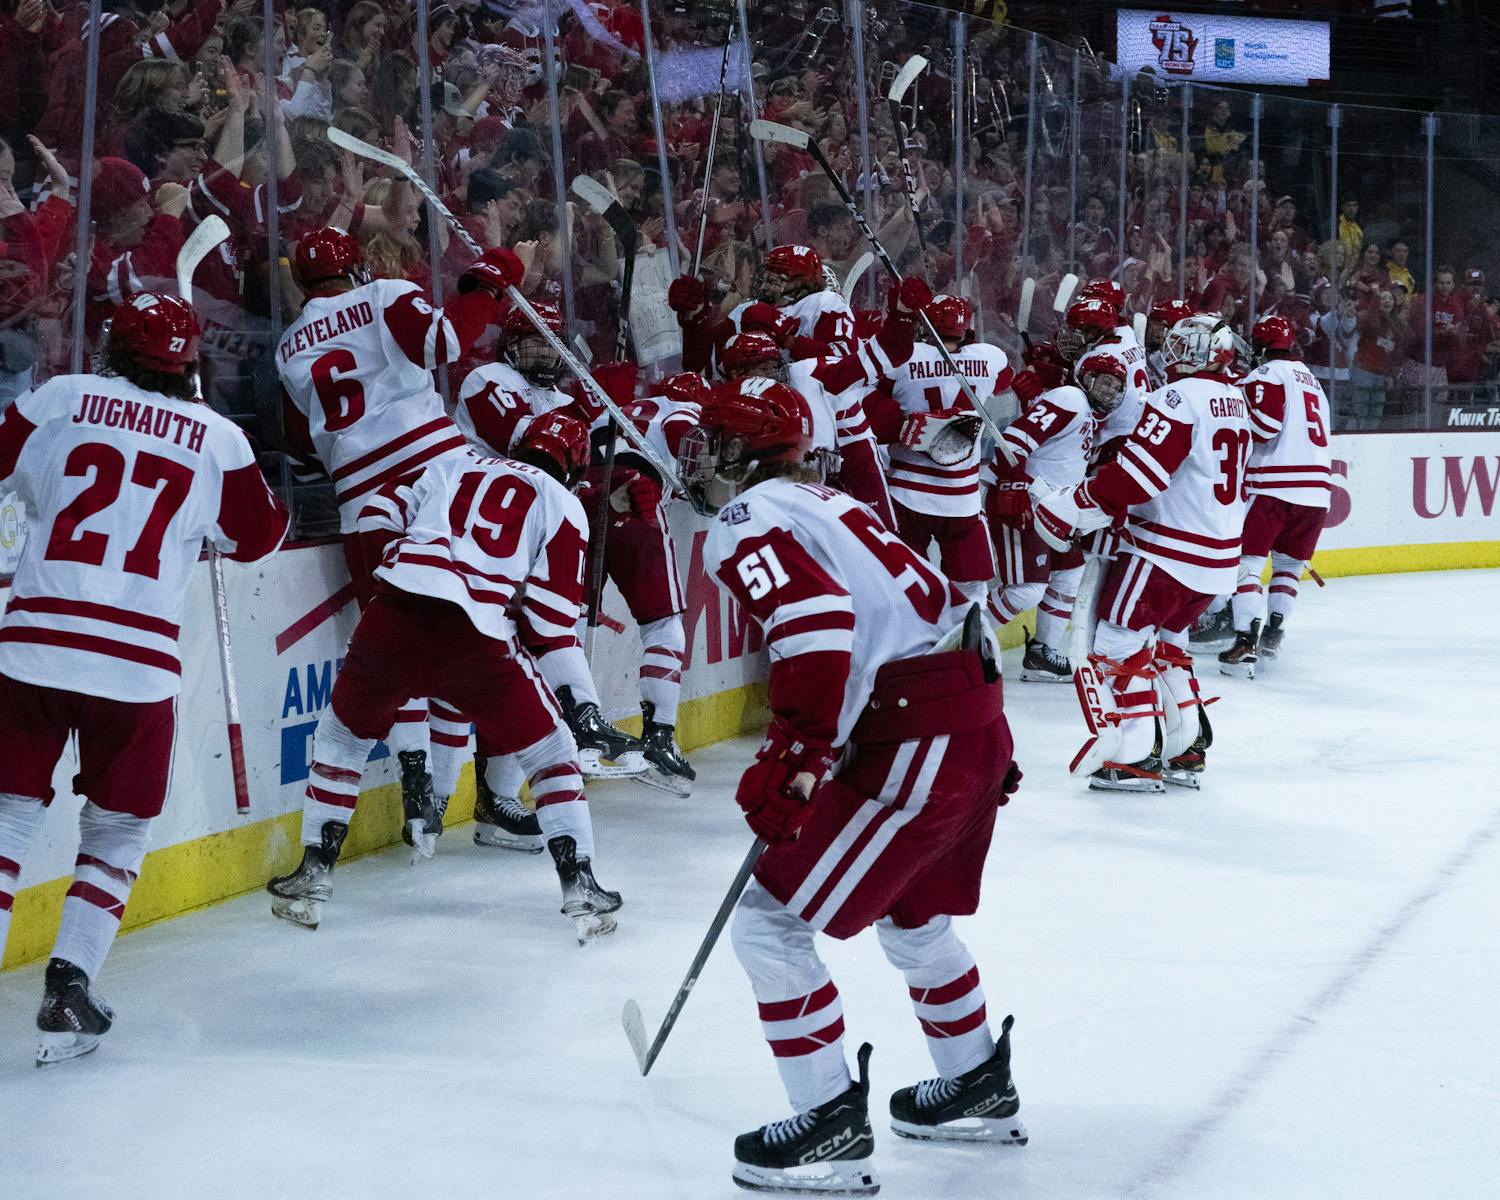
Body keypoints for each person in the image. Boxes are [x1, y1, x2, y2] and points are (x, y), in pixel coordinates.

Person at [687, 378, 1026, 1195]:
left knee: (769, 924)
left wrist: (798, 752)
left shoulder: (746, 517)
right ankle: (974, 1081)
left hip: (918, 734)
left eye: (713, 441)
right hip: (962, 717)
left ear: (739, 451)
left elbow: (816, 626)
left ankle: (828, 1128)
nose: (701, 458)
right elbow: (947, 604)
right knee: (913, 913)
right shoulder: (834, 502)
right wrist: (978, 731)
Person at [0, 293, 288, 1064]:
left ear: (112, 349)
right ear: (188, 363)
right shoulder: (219, 438)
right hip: (136, 668)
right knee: (119, 831)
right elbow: (258, 538)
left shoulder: (59, 398)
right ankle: (70, 984)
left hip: (33, 647)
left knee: (5, 819)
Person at [267, 415, 624, 944]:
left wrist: (396, 570)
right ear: (573, 468)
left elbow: (376, 511)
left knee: (341, 740)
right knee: (552, 753)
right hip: (475, 636)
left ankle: (312, 875)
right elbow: (550, 625)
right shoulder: (563, 502)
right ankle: (582, 887)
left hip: (392, 617)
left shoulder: (453, 462)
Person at [277, 227, 522, 848]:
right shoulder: (384, 293)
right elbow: (444, 341)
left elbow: (302, 450)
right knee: (469, 626)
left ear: (300, 282)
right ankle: (448, 792)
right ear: (356, 267)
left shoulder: (286, 347)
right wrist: (487, 283)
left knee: (392, 644)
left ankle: (416, 781)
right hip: (435, 481)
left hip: (361, 500)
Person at [1034, 315, 1251, 791]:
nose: (1172, 352)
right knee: (1170, 644)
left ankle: (1133, 754)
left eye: (1182, 345)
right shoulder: (1235, 398)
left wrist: (1078, 499)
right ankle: (1185, 745)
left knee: (1118, 641)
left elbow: (1139, 475)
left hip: (1165, 552)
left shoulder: (1179, 397)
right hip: (1217, 560)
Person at [453, 302, 651, 780]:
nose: (544, 351)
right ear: (509, 344)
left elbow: (583, 468)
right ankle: (499, 783)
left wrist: (620, 480)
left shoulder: (561, 398)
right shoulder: (487, 380)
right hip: (487, 533)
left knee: (541, 648)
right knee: (508, 658)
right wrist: (591, 405)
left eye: (551, 342)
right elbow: (536, 451)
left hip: (539, 531)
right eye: (534, 340)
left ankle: (561, 747)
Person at [857, 279, 1015, 605]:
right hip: (963, 500)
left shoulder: (902, 359)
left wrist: (900, 425)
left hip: (908, 494)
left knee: (906, 583)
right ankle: (969, 635)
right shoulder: (989, 358)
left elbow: (863, 396)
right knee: (971, 588)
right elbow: (1004, 382)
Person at [987, 351, 1121, 680]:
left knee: (1070, 576)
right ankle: (961, 640)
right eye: (1104, 382)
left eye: (1116, 387)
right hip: (1025, 501)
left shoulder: (1087, 413)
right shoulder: (1071, 398)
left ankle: (1041, 655)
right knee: (1025, 591)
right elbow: (1013, 440)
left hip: (1056, 510)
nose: (1109, 391)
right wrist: (1015, 487)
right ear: (1085, 377)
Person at [1219, 316, 1333, 676]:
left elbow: (1265, 427)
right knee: (1288, 567)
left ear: (1260, 345)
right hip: (1317, 493)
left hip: (1274, 487)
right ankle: (1272, 636)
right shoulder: (1313, 380)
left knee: (1248, 564)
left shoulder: (1266, 374)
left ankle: (1244, 642)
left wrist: (1236, 394)